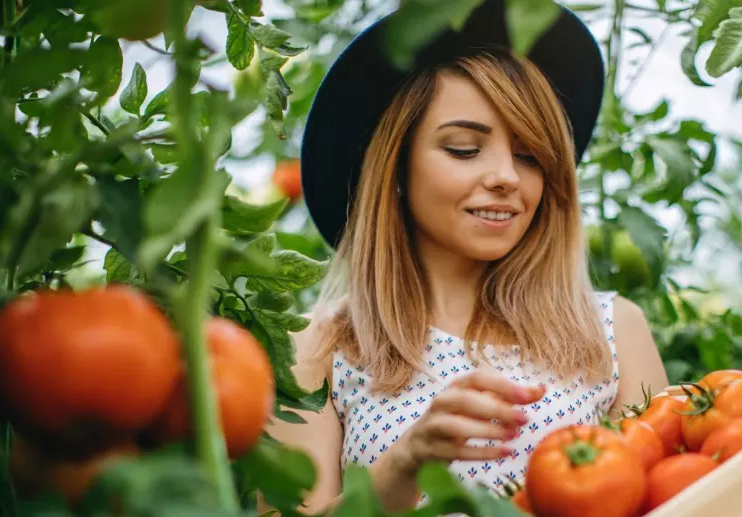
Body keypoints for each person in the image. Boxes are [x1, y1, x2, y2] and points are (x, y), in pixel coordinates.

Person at [266, 0, 669, 514]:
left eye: (529, 155)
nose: (506, 175)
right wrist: (405, 464)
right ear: (395, 168)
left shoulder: (610, 330)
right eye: (463, 148)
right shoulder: (318, 351)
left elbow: (672, 495)